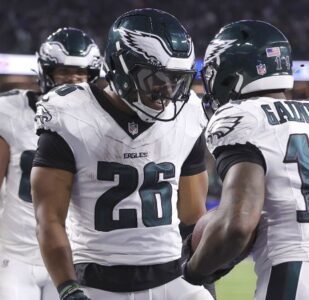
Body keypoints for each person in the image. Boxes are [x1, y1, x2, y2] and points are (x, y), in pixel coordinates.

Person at [182, 20, 309, 299]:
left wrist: (193, 271)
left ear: (230, 74)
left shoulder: (243, 117)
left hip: (295, 279)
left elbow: (239, 223)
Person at [31, 8, 214, 300]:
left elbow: (193, 216)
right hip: (96, 282)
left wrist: (204, 276)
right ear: (121, 68)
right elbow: (49, 219)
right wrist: (67, 288)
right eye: (155, 78)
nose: (167, 91)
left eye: (176, 79)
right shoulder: (70, 114)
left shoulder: (189, 114)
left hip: (173, 278)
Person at [0, 27, 101, 300]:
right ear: (46, 73)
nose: (73, 82)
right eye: (64, 73)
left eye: (81, 75)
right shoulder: (10, 112)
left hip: (73, 257)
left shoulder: (101, 125)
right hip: (17, 257)